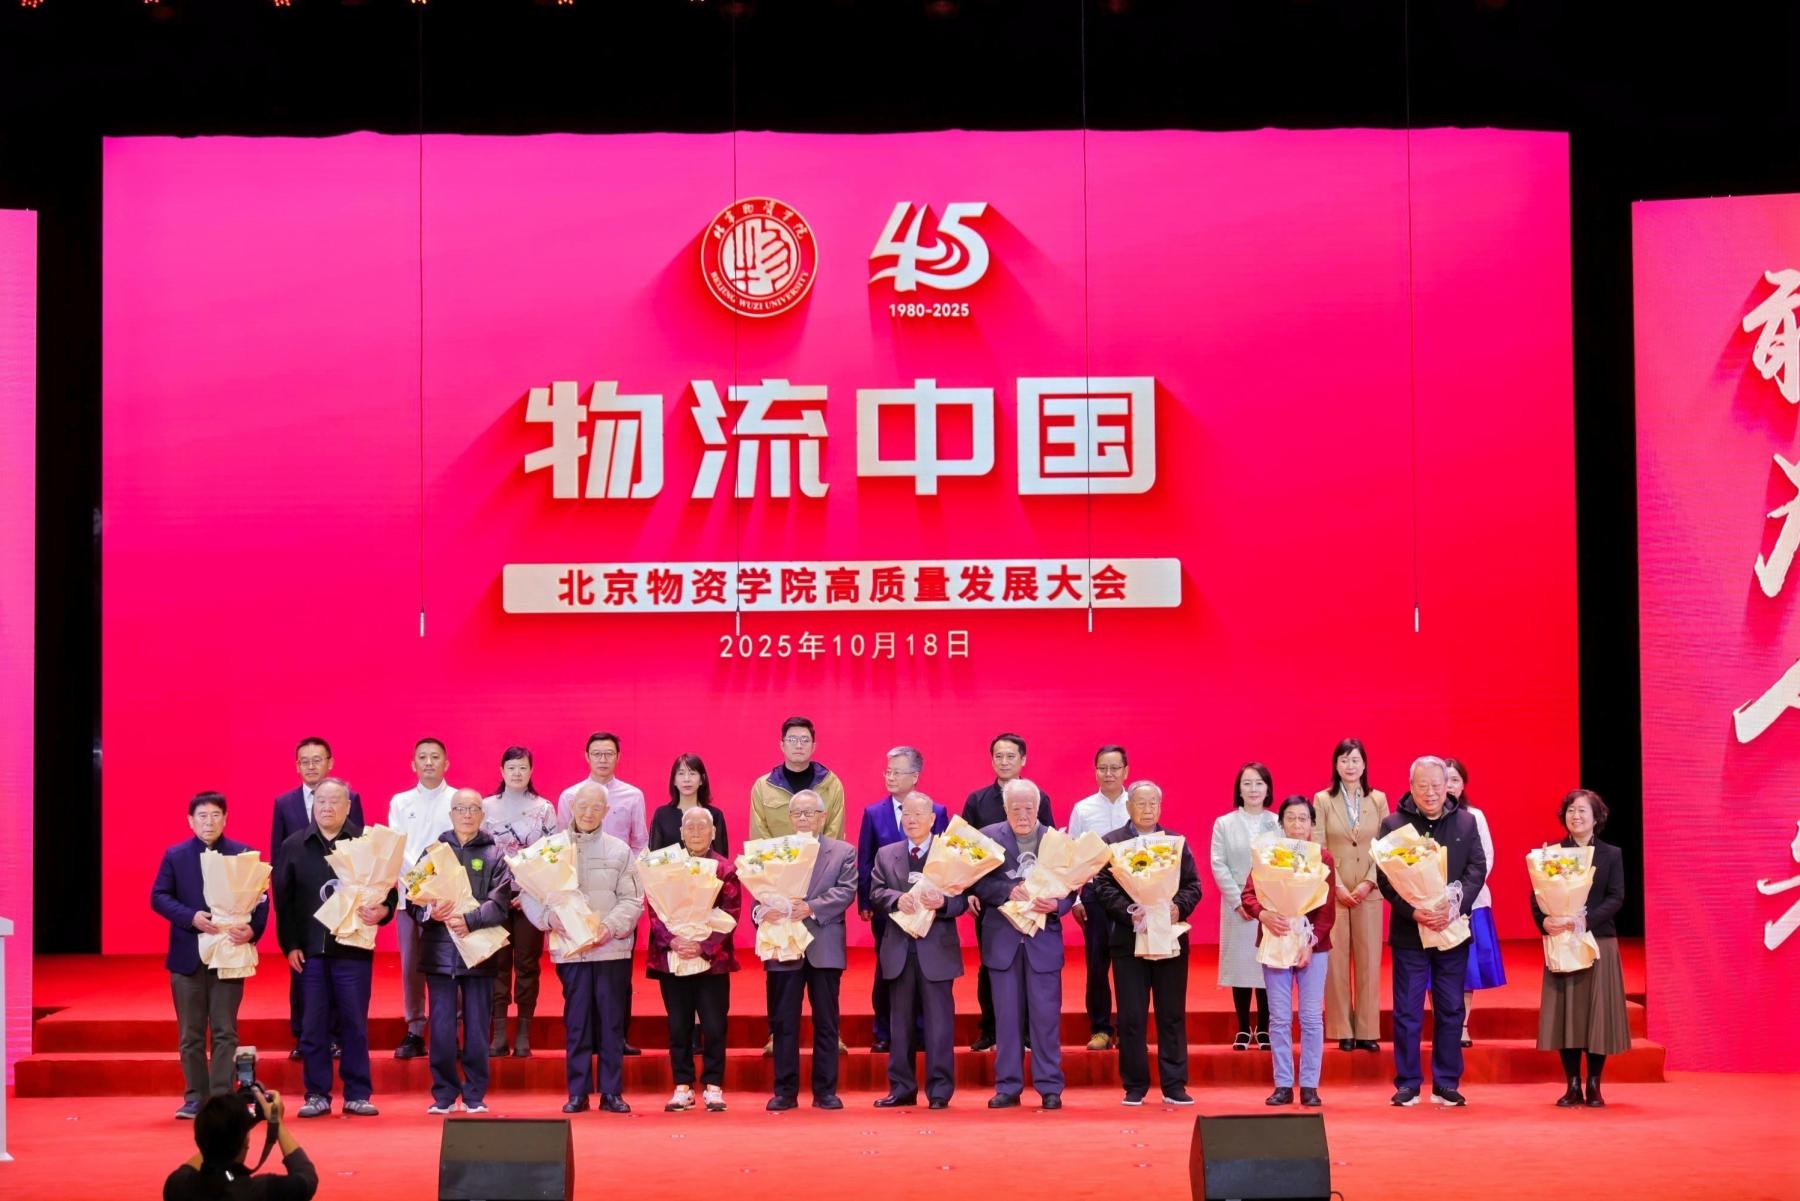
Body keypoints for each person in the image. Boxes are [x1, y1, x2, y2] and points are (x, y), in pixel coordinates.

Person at [275, 777, 395, 1118]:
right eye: (321, 802)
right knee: (313, 1025)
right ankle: (317, 1094)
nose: (326, 808)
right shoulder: (294, 845)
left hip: (353, 949)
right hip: (310, 950)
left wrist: (384, 910)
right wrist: (290, 945)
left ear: (348, 806)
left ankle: (357, 1093)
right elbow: (284, 901)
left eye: (334, 801)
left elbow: (389, 890)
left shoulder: (366, 843)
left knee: (354, 1023)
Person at [526, 782, 643, 1115]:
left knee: (611, 1022)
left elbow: (633, 899)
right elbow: (529, 893)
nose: (588, 813)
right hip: (571, 949)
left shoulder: (620, 850)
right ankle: (577, 1092)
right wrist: (549, 918)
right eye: (582, 806)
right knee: (576, 1022)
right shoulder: (551, 851)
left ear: (606, 811)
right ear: (572, 808)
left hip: (611, 949)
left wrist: (611, 927)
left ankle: (611, 1092)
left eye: (596, 807)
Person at [151, 791, 270, 1118]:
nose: (209, 821)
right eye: (202, 816)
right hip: (188, 958)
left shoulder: (243, 855)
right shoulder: (176, 856)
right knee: (190, 1033)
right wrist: (190, 917)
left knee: (224, 1030)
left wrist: (252, 931)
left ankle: (221, 1098)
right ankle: (194, 1097)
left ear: (225, 819)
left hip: (229, 954)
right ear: (190, 821)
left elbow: (261, 902)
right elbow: (159, 896)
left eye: (215, 815)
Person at [1378, 755, 1487, 1107]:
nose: (1430, 792)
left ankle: (1446, 1082)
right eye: (1422, 785)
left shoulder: (1466, 822)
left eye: (1436, 785)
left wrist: (1453, 907)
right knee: (1407, 1010)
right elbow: (1385, 878)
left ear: (1448, 786)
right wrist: (1414, 911)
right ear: (1411, 787)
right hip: (1410, 932)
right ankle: (1408, 1082)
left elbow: (1477, 868)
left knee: (1451, 1008)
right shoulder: (1393, 825)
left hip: (1451, 930)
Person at [1091, 780, 1202, 1106]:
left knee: (1171, 1014)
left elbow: (1193, 885)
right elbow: (1102, 887)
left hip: (1170, 939)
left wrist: (1177, 907)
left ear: (1161, 806)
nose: (1148, 808)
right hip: (1129, 940)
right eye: (1141, 803)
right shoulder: (1113, 844)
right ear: (1128, 807)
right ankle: (1135, 1084)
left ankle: (1174, 1084)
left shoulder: (1175, 843)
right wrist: (1129, 910)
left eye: (1153, 802)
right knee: (1131, 1016)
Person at [973, 778, 1072, 1109]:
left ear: (1039, 807)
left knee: (1045, 1018)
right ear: (1005, 809)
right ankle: (1008, 1085)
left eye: (1029, 808)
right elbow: (975, 882)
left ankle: (1050, 1086)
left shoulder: (1056, 841)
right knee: (1006, 1018)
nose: (1023, 814)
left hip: (1042, 941)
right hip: (1002, 940)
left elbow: (1072, 887)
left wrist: (1057, 905)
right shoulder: (987, 837)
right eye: (1015, 808)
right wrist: (1005, 891)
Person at [414, 789, 513, 1115]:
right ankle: (444, 1094)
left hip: (480, 952)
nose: (467, 814)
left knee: (477, 1028)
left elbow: (500, 902)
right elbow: (414, 901)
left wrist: (469, 920)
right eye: (460, 808)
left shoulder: (495, 853)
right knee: (441, 1028)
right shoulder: (433, 853)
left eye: (473, 809)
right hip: (440, 954)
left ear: (482, 814)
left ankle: (474, 1095)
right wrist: (431, 911)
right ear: (451, 813)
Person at [869, 791, 969, 1110]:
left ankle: (939, 1091)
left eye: (918, 814)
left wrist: (944, 903)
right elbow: (875, 892)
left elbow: (964, 900)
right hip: (899, 949)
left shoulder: (950, 854)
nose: (911, 820)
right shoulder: (887, 854)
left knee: (939, 1026)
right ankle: (902, 1088)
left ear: (932, 819)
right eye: (906, 815)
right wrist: (895, 899)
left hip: (936, 950)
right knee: (900, 1025)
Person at [761, 789, 858, 1110]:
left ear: (823, 817)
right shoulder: (773, 852)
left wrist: (810, 907)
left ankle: (825, 1091)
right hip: (784, 946)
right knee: (783, 1022)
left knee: (827, 1023)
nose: (803, 818)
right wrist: (761, 912)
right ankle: (785, 1092)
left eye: (809, 813)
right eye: (797, 813)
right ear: (790, 818)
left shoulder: (843, 851)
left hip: (824, 946)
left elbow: (846, 891)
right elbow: (758, 893)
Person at [1534, 788, 1629, 1108]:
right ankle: (1572, 1083)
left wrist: (1585, 921)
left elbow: (1616, 897)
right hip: (1562, 940)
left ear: (1596, 817)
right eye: (1571, 810)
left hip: (1597, 940)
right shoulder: (1551, 854)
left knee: (1596, 1014)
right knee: (1568, 1014)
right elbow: (1537, 896)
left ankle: (1594, 1084)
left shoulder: (1611, 854)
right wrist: (1545, 920)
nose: (1576, 816)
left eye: (1582, 811)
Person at [1242, 795, 1337, 1108]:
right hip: (1276, 938)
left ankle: (1310, 1085)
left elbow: (1327, 909)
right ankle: (1283, 1084)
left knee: (1311, 1017)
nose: (1297, 824)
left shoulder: (1322, 857)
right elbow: (1248, 895)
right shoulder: (1267, 854)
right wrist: (1264, 915)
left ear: (1312, 824)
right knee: (1280, 1017)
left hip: (1313, 946)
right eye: (1291, 818)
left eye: (1303, 819)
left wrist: (1311, 942)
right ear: (1281, 823)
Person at [270, 739, 363, 1062]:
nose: (311, 766)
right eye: (304, 761)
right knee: (303, 974)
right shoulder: (284, 803)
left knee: (339, 974)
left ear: (330, 762)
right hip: (303, 903)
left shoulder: (350, 798)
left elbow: (360, 849)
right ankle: (303, 1035)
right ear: (297, 766)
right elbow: (278, 857)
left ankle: (335, 1036)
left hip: (342, 900)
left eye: (317, 759)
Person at [961, 732, 1052, 1052]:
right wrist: (970, 890)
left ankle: (1026, 1033)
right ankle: (990, 1029)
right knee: (992, 963)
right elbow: (965, 850)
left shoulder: (1039, 797)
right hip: (991, 897)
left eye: (1010, 756)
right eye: (998, 756)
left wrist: (1043, 891)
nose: (1004, 761)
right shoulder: (977, 800)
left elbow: (1052, 848)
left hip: (1031, 899)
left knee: (1030, 964)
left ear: (1023, 760)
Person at [855, 746, 948, 1053]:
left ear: (915, 776)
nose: (890, 777)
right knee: (888, 969)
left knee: (924, 969)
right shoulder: (874, 813)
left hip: (928, 909)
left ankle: (920, 1031)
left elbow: (947, 858)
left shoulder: (937, 812)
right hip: (888, 907)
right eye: (888, 771)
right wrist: (865, 901)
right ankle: (884, 1031)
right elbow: (865, 860)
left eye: (897, 772)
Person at [650, 807, 741, 1113]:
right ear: (681, 832)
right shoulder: (665, 867)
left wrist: (702, 945)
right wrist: (673, 941)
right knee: (678, 1025)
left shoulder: (724, 869)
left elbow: (731, 913)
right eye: (690, 827)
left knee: (714, 1025)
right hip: (673, 957)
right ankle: (683, 1086)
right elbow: (654, 909)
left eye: (703, 827)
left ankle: (714, 1086)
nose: (697, 832)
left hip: (712, 961)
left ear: (714, 832)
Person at [482, 745, 560, 1059]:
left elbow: (553, 856)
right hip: (495, 898)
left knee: (527, 965)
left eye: (523, 767)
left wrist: (530, 892)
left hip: (531, 898)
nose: (517, 773)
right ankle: (499, 1034)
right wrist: (496, 893)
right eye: (511, 767)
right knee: (498, 965)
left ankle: (524, 1034)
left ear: (531, 771)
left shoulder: (544, 808)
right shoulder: (486, 807)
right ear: (501, 771)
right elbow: (480, 854)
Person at [1311, 737, 1388, 1053]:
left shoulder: (1378, 799)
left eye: (1355, 760)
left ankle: (1368, 1030)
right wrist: (1338, 886)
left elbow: (1385, 845)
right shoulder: (1323, 800)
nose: (1350, 765)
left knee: (1369, 961)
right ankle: (1342, 1028)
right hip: (1336, 892)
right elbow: (1319, 845)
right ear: (1336, 765)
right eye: (1344, 760)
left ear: (1364, 764)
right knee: (1337, 961)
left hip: (1369, 891)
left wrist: (1369, 882)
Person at [386, 737, 455, 1061]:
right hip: (409, 897)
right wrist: (419, 880)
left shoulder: (458, 799)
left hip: (448, 898)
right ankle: (415, 1029)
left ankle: (452, 1030)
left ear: (446, 763)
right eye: (423, 757)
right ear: (413, 765)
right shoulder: (400, 802)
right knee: (411, 965)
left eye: (435, 757)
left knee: (451, 963)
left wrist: (438, 883)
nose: (429, 762)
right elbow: (397, 846)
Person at [1211, 762, 1279, 1049]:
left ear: (1268, 788)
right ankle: (1242, 1027)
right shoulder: (1224, 823)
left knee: (1266, 963)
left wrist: (1268, 901)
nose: (1253, 789)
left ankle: (1263, 1027)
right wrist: (1238, 901)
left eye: (1259, 783)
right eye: (1247, 783)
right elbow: (1218, 863)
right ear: (1239, 789)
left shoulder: (1277, 822)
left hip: (1269, 904)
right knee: (1240, 965)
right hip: (1236, 903)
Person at [1067, 744, 1131, 1051]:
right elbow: (1071, 856)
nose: (1109, 773)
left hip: (1132, 895)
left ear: (1126, 771)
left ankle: (1130, 1030)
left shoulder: (1137, 803)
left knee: (1132, 966)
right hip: (1094, 895)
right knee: (1097, 964)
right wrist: (1076, 900)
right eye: (1103, 768)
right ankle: (1101, 1029)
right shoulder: (1083, 809)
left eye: (1115, 768)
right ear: (1095, 772)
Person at [163, 1087, 317, 1201]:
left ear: (198, 1138)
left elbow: (210, 1144)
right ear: (244, 1144)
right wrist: (276, 1121)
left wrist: (231, 1124)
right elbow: (307, 1177)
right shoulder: (259, 1191)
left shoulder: (178, 1187)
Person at [1444, 758, 1505, 1045]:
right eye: (1444, 779)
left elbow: (1486, 858)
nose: (1449, 785)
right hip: (1436, 906)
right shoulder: (1424, 815)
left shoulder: (1474, 816)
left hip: (1471, 904)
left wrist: (1462, 895)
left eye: (1454, 780)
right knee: (1435, 971)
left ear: (1463, 784)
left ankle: (1462, 1025)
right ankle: (1444, 1024)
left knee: (1468, 969)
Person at [749, 715, 847, 840]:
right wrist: (784, 852)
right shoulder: (763, 787)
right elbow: (759, 834)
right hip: (776, 853)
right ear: (782, 745)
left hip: (822, 853)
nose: (799, 745)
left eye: (805, 740)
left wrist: (817, 852)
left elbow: (835, 833)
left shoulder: (831, 784)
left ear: (813, 746)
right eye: (792, 739)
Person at [556, 731, 649, 852]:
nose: (603, 760)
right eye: (596, 754)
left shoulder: (633, 796)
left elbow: (640, 843)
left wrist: (629, 863)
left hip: (620, 862)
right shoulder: (570, 796)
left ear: (618, 756)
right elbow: (562, 841)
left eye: (609, 754)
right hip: (581, 861)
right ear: (587, 756)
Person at [649, 753, 731, 854]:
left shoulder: (715, 815)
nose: (687, 779)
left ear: (702, 779)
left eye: (692, 773)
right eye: (681, 774)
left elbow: (721, 857)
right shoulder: (662, 814)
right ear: (674, 780)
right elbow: (653, 856)